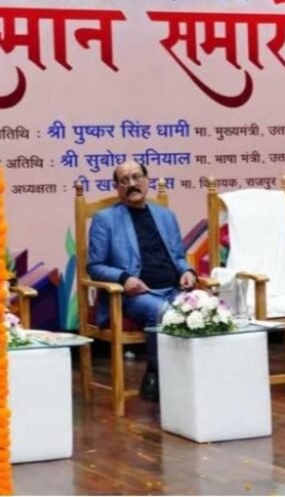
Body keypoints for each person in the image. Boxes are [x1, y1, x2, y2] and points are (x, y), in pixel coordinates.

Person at [87, 160, 197, 402]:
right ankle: (156, 373)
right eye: (124, 180)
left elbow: (178, 256)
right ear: (117, 187)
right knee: (163, 311)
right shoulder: (105, 219)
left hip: (174, 288)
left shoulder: (166, 216)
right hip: (135, 295)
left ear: (147, 181)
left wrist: (187, 271)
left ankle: (195, 377)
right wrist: (124, 278)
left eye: (137, 177)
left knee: (205, 309)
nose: (132, 184)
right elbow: (95, 267)